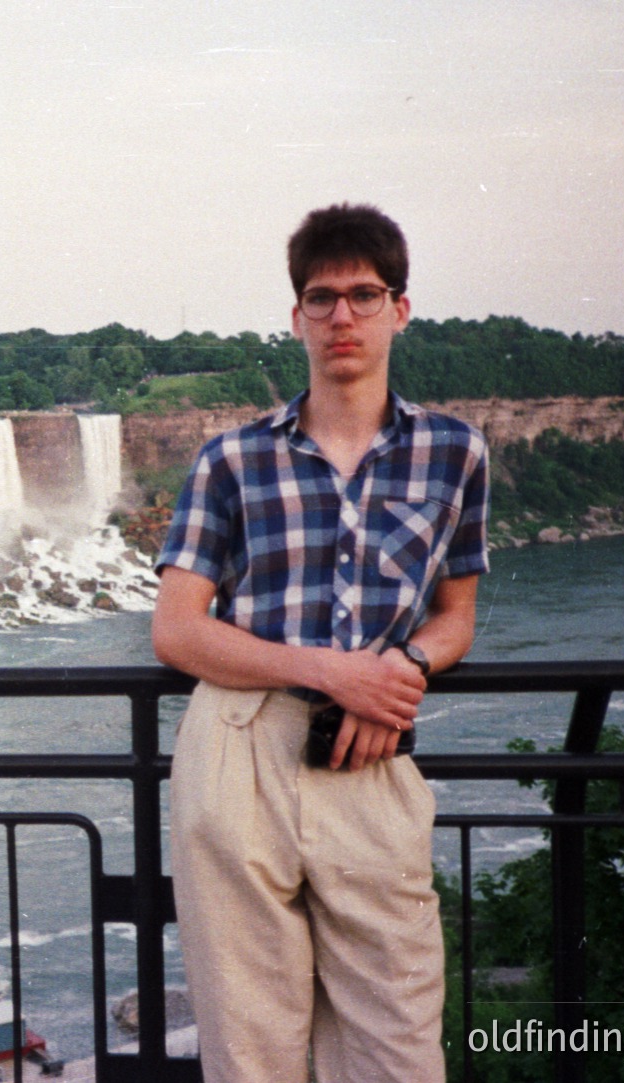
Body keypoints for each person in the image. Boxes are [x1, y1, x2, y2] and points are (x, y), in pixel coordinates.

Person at [151, 203, 489, 1082]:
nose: (342, 316)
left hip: (368, 756)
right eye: (321, 297)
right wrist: (333, 670)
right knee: (251, 1051)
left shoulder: (454, 453)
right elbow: (176, 627)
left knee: (398, 1046)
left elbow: (455, 615)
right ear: (295, 314)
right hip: (238, 752)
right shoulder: (230, 460)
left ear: (398, 309)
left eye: (363, 296)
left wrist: (402, 670)